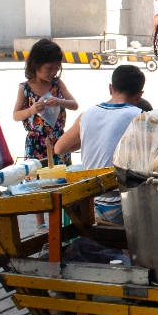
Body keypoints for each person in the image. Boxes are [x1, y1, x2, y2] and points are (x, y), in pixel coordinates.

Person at [54, 65, 145, 224]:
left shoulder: (86, 114)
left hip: (89, 205)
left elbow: (59, 148)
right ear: (139, 95)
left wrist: (90, 137)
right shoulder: (139, 117)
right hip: (120, 207)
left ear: (110, 88)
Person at [12, 38, 79, 231]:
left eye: (56, 68)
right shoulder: (24, 88)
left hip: (59, 139)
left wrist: (59, 101)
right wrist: (31, 110)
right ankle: (40, 223)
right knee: (37, 180)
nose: (52, 73)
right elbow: (16, 115)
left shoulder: (57, 84)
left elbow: (74, 104)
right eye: (49, 68)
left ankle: (62, 219)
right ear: (36, 65)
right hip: (36, 141)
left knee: (61, 178)